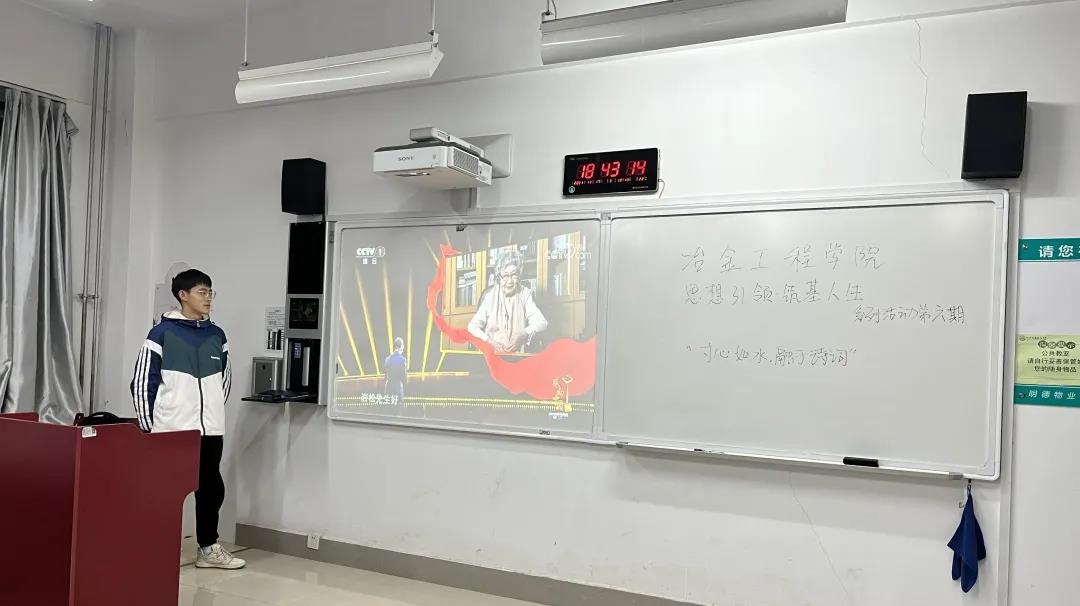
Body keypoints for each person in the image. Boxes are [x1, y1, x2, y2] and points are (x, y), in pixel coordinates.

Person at [130, 269, 246, 570]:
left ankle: (208, 548)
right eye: (201, 292)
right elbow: (143, 382)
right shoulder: (161, 334)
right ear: (183, 295)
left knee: (211, 489)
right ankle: (156, 548)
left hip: (210, 431)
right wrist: (151, 427)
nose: (208, 298)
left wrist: (211, 414)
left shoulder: (216, 335)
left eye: (210, 292)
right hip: (172, 430)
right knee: (164, 492)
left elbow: (224, 381)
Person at [468, 250, 548, 354]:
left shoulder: (525, 294)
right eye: (505, 276)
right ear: (499, 277)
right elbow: (472, 326)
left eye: (514, 275)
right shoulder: (490, 296)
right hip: (493, 355)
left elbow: (542, 322)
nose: (509, 281)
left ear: (519, 275)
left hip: (517, 356)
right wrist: (489, 342)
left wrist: (523, 333)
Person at [384, 337, 408, 403]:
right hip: (398, 390)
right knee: (398, 408)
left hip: (388, 390)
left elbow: (385, 377)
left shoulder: (387, 359)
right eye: (403, 345)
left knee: (388, 408)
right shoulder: (402, 360)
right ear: (401, 346)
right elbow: (404, 378)